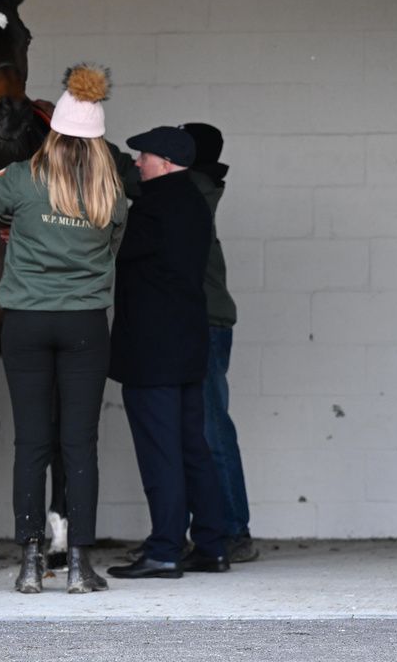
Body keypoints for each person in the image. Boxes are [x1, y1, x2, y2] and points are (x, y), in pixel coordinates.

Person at [0, 64, 125, 594]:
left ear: (56, 130)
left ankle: (28, 564)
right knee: (80, 444)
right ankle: (80, 567)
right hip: (86, 325)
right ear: (97, 140)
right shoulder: (111, 193)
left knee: (32, 443)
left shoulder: (22, 178)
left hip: (25, 322)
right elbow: (113, 247)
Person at [105, 126, 231, 580]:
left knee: (161, 452)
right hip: (187, 345)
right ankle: (212, 544)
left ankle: (164, 549)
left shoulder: (153, 205)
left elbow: (112, 253)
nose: (137, 162)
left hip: (151, 351)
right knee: (191, 446)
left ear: (166, 161)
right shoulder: (195, 202)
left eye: (144, 156)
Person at [181, 123, 258, 563]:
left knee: (211, 429)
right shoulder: (200, 185)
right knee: (207, 428)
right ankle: (224, 529)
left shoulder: (193, 186)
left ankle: (234, 531)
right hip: (206, 322)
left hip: (206, 323)